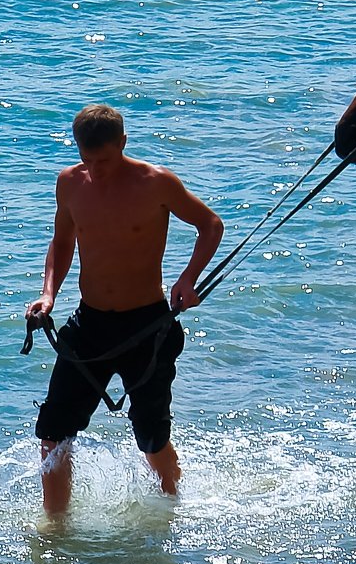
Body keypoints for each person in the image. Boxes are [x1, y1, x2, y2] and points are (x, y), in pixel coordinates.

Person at [26, 104, 224, 515]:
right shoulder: (69, 183)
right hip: (89, 323)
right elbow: (62, 243)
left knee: (150, 436)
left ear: (123, 144)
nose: (95, 170)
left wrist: (187, 279)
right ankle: (55, 528)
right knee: (53, 432)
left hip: (147, 326)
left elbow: (210, 225)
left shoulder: (156, 183)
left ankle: (171, 506)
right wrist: (48, 295)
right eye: (87, 160)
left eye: (104, 160)